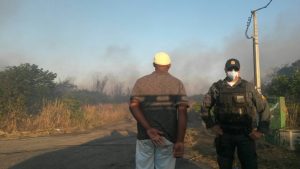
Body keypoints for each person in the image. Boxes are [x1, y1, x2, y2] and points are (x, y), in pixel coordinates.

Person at [200, 58, 270, 169]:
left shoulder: (248, 87)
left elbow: (264, 107)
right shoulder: (216, 88)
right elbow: (204, 107)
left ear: (239, 70)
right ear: (225, 70)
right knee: (224, 165)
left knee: (250, 165)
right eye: (230, 69)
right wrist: (212, 125)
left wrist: (261, 130)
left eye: (235, 69)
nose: (232, 71)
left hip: (246, 135)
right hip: (224, 135)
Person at [129, 52, 189, 169]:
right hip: (168, 137)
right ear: (169, 65)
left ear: (153, 64)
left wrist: (149, 129)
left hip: (145, 136)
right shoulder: (177, 83)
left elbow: (133, 106)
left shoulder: (141, 82)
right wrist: (180, 140)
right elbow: (182, 112)